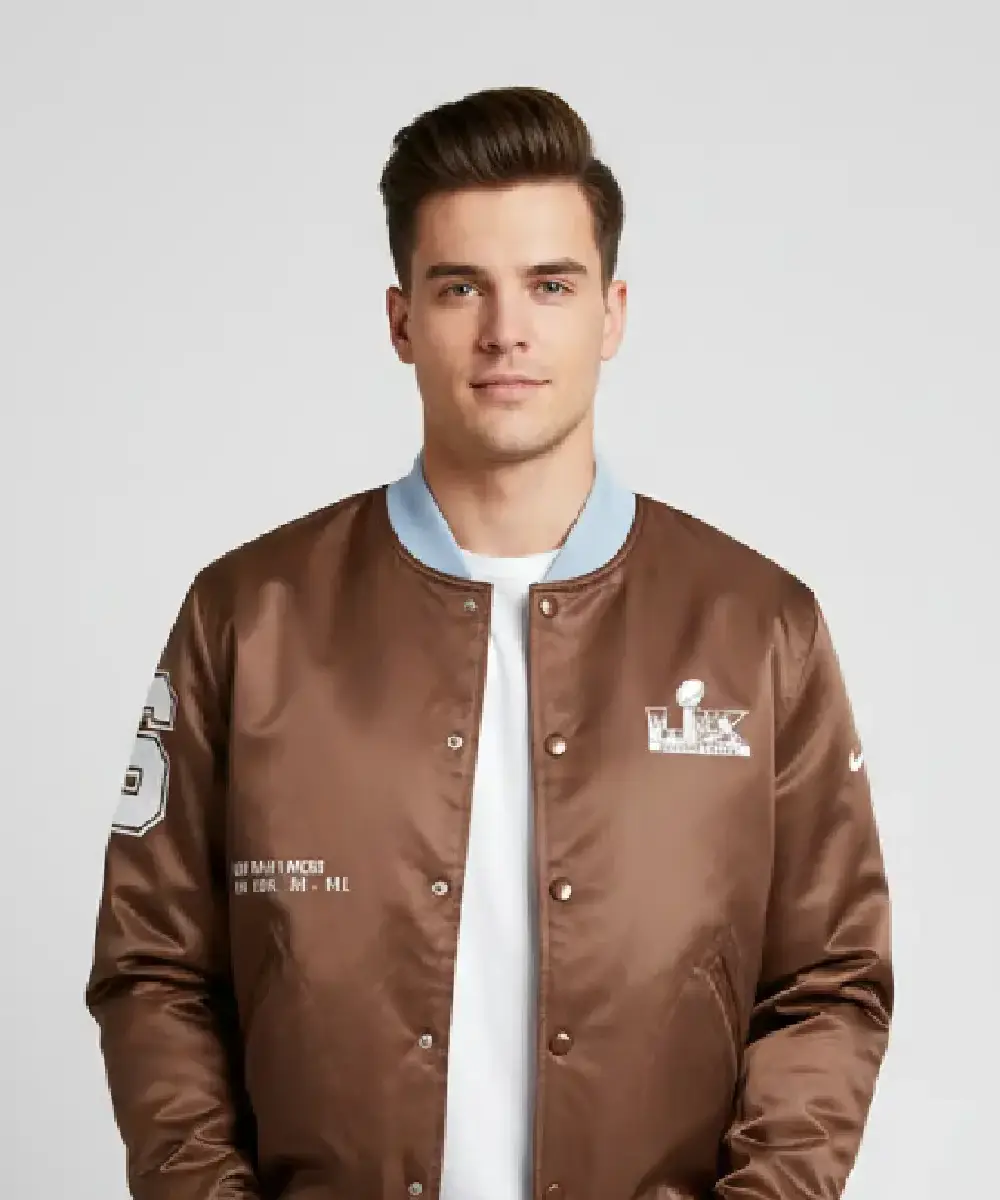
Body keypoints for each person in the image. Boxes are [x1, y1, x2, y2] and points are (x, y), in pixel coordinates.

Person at [84, 86, 893, 1200]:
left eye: (550, 285)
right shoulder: (249, 614)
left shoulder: (758, 626)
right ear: (400, 321)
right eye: (461, 286)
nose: (506, 329)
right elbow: (154, 969)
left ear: (611, 314)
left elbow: (830, 982)